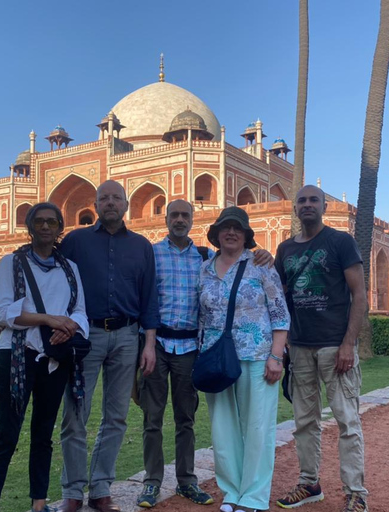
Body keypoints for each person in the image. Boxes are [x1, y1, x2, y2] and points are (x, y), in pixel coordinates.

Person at [137, 200, 276, 508]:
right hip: (160, 344)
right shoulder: (155, 254)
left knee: (187, 418)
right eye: (174, 215)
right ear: (165, 219)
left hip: (194, 349)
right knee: (154, 417)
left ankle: (187, 481)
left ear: (193, 220)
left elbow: (272, 304)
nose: (179, 220)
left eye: (185, 215)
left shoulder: (205, 257)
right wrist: (146, 345)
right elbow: (145, 300)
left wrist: (264, 254)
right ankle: (151, 482)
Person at [58, 180, 160, 512]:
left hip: (128, 337)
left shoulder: (142, 246)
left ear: (127, 204)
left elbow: (149, 298)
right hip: (85, 337)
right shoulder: (76, 241)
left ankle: (101, 488)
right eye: (104, 198)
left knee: (116, 416)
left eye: (116, 198)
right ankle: (73, 491)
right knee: (75, 414)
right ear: (96, 204)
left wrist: (149, 344)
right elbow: (56, 282)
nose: (111, 203)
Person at [0, 202, 89, 512]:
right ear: (30, 226)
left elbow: (79, 310)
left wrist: (68, 328)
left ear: (59, 228)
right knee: (7, 434)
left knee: (43, 435)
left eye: (51, 222)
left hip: (55, 359)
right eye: (39, 221)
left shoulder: (70, 269)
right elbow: (1, 313)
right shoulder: (11, 263)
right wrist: (49, 319)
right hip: (18, 357)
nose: (45, 227)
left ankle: (39, 506)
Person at [274, 185, 368, 512]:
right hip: (300, 348)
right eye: (302, 200)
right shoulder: (285, 250)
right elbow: (281, 299)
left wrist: (348, 344)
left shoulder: (341, 242)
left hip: (334, 347)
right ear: (295, 209)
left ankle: (356, 493)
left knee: (347, 422)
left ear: (325, 206)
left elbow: (359, 295)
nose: (308, 205)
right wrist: (282, 344)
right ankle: (309, 483)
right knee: (304, 421)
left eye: (314, 200)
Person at [198, 206, 290, 512]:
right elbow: (202, 316)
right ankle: (232, 491)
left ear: (246, 235)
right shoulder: (206, 269)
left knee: (257, 427)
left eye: (238, 228)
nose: (231, 232)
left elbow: (279, 312)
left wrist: (277, 356)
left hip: (257, 355)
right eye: (226, 227)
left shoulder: (261, 265)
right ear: (217, 234)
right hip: (217, 358)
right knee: (222, 429)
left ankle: (253, 497)